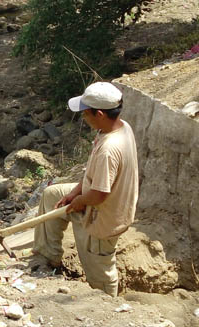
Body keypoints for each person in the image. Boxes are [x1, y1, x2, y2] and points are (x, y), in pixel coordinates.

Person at [33, 82, 138, 296]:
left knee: (100, 274)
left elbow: (99, 195)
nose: (83, 118)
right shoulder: (118, 127)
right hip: (98, 193)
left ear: (99, 113)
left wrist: (79, 201)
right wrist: (75, 192)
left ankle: (109, 303)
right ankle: (47, 256)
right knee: (52, 194)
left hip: (104, 216)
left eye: (85, 113)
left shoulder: (109, 149)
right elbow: (94, 174)